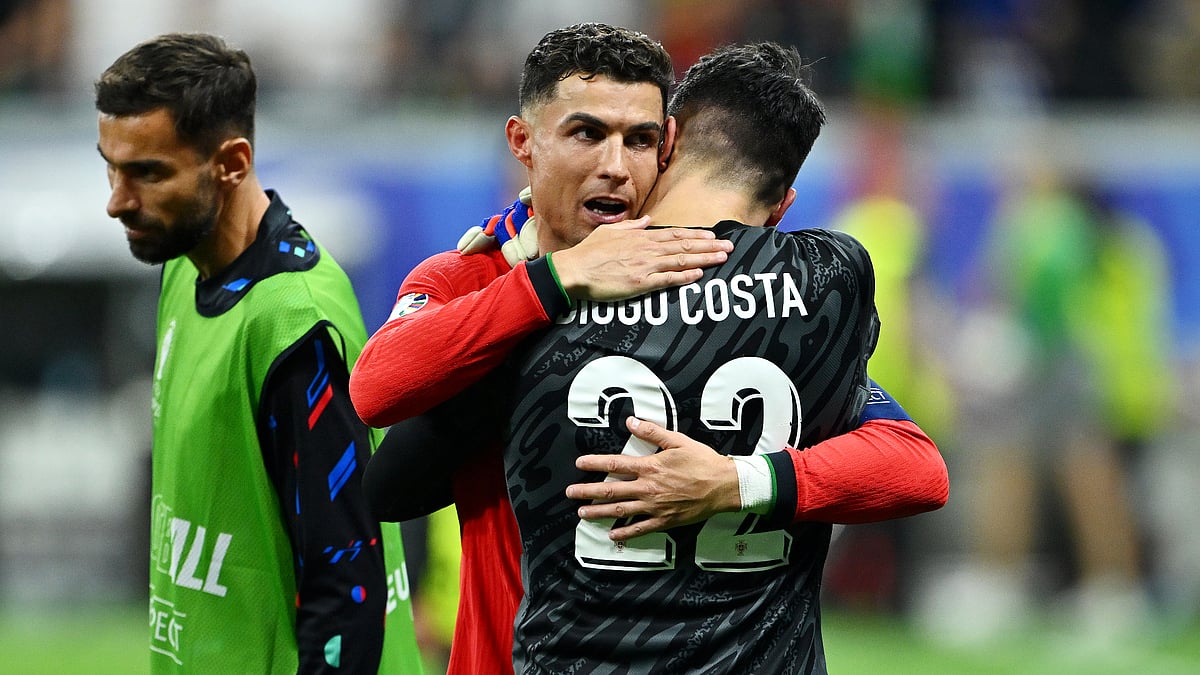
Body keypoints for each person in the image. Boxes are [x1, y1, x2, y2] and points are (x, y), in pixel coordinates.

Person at [353, 25, 945, 674]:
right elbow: (379, 403)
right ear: (524, 143)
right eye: (587, 134)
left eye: (638, 140)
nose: (616, 164)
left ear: (667, 150)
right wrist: (553, 282)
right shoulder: (479, 279)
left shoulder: (722, 294)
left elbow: (911, 462)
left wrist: (736, 481)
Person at [94, 33, 422, 673]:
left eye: (148, 173)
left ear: (232, 162)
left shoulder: (294, 321)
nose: (117, 201)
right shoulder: (184, 267)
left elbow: (346, 588)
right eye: (111, 167)